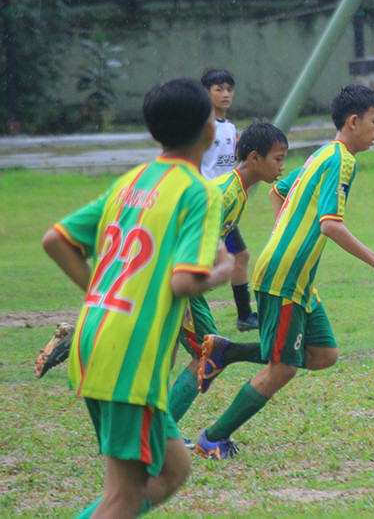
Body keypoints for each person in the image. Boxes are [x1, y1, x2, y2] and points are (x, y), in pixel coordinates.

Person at [41, 78, 235, 518]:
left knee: (173, 469)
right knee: (122, 496)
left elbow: (57, 240)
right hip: (130, 355)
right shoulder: (198, 191)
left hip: (96, 337)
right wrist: (224, 269)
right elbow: (184, 283)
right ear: (209, 131)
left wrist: (100, 294)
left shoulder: (131, 181)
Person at [195, 84, 374, 460]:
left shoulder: (323, 154)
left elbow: (277, 192)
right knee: (282, 369)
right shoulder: (343, 160)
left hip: (297, 277)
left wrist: (291, 230)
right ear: (353, 121)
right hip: (284, 275)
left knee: (324, 353)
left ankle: (228, 350)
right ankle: (211, 438)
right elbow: (331, 224)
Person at [168, 121, 289, 432]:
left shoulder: (240, 192)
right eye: (278, 158)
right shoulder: (225, 193)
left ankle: (158, 431)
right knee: (206, 353)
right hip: (174, 278)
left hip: (180, 281)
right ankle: (160, 433)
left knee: (176, 352)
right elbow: (186, 238)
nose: (282, 167)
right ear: (254, 158)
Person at [200, 67, 257, 332]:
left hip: (226, 204)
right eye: (218, 89)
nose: (225, 94)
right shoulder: (202, 127)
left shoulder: (230, 126)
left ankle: (245, 316)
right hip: (208, 205)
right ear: (206, 93)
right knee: (209, 262)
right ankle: (180, 301)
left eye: (229, 89)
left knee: (240, 256)